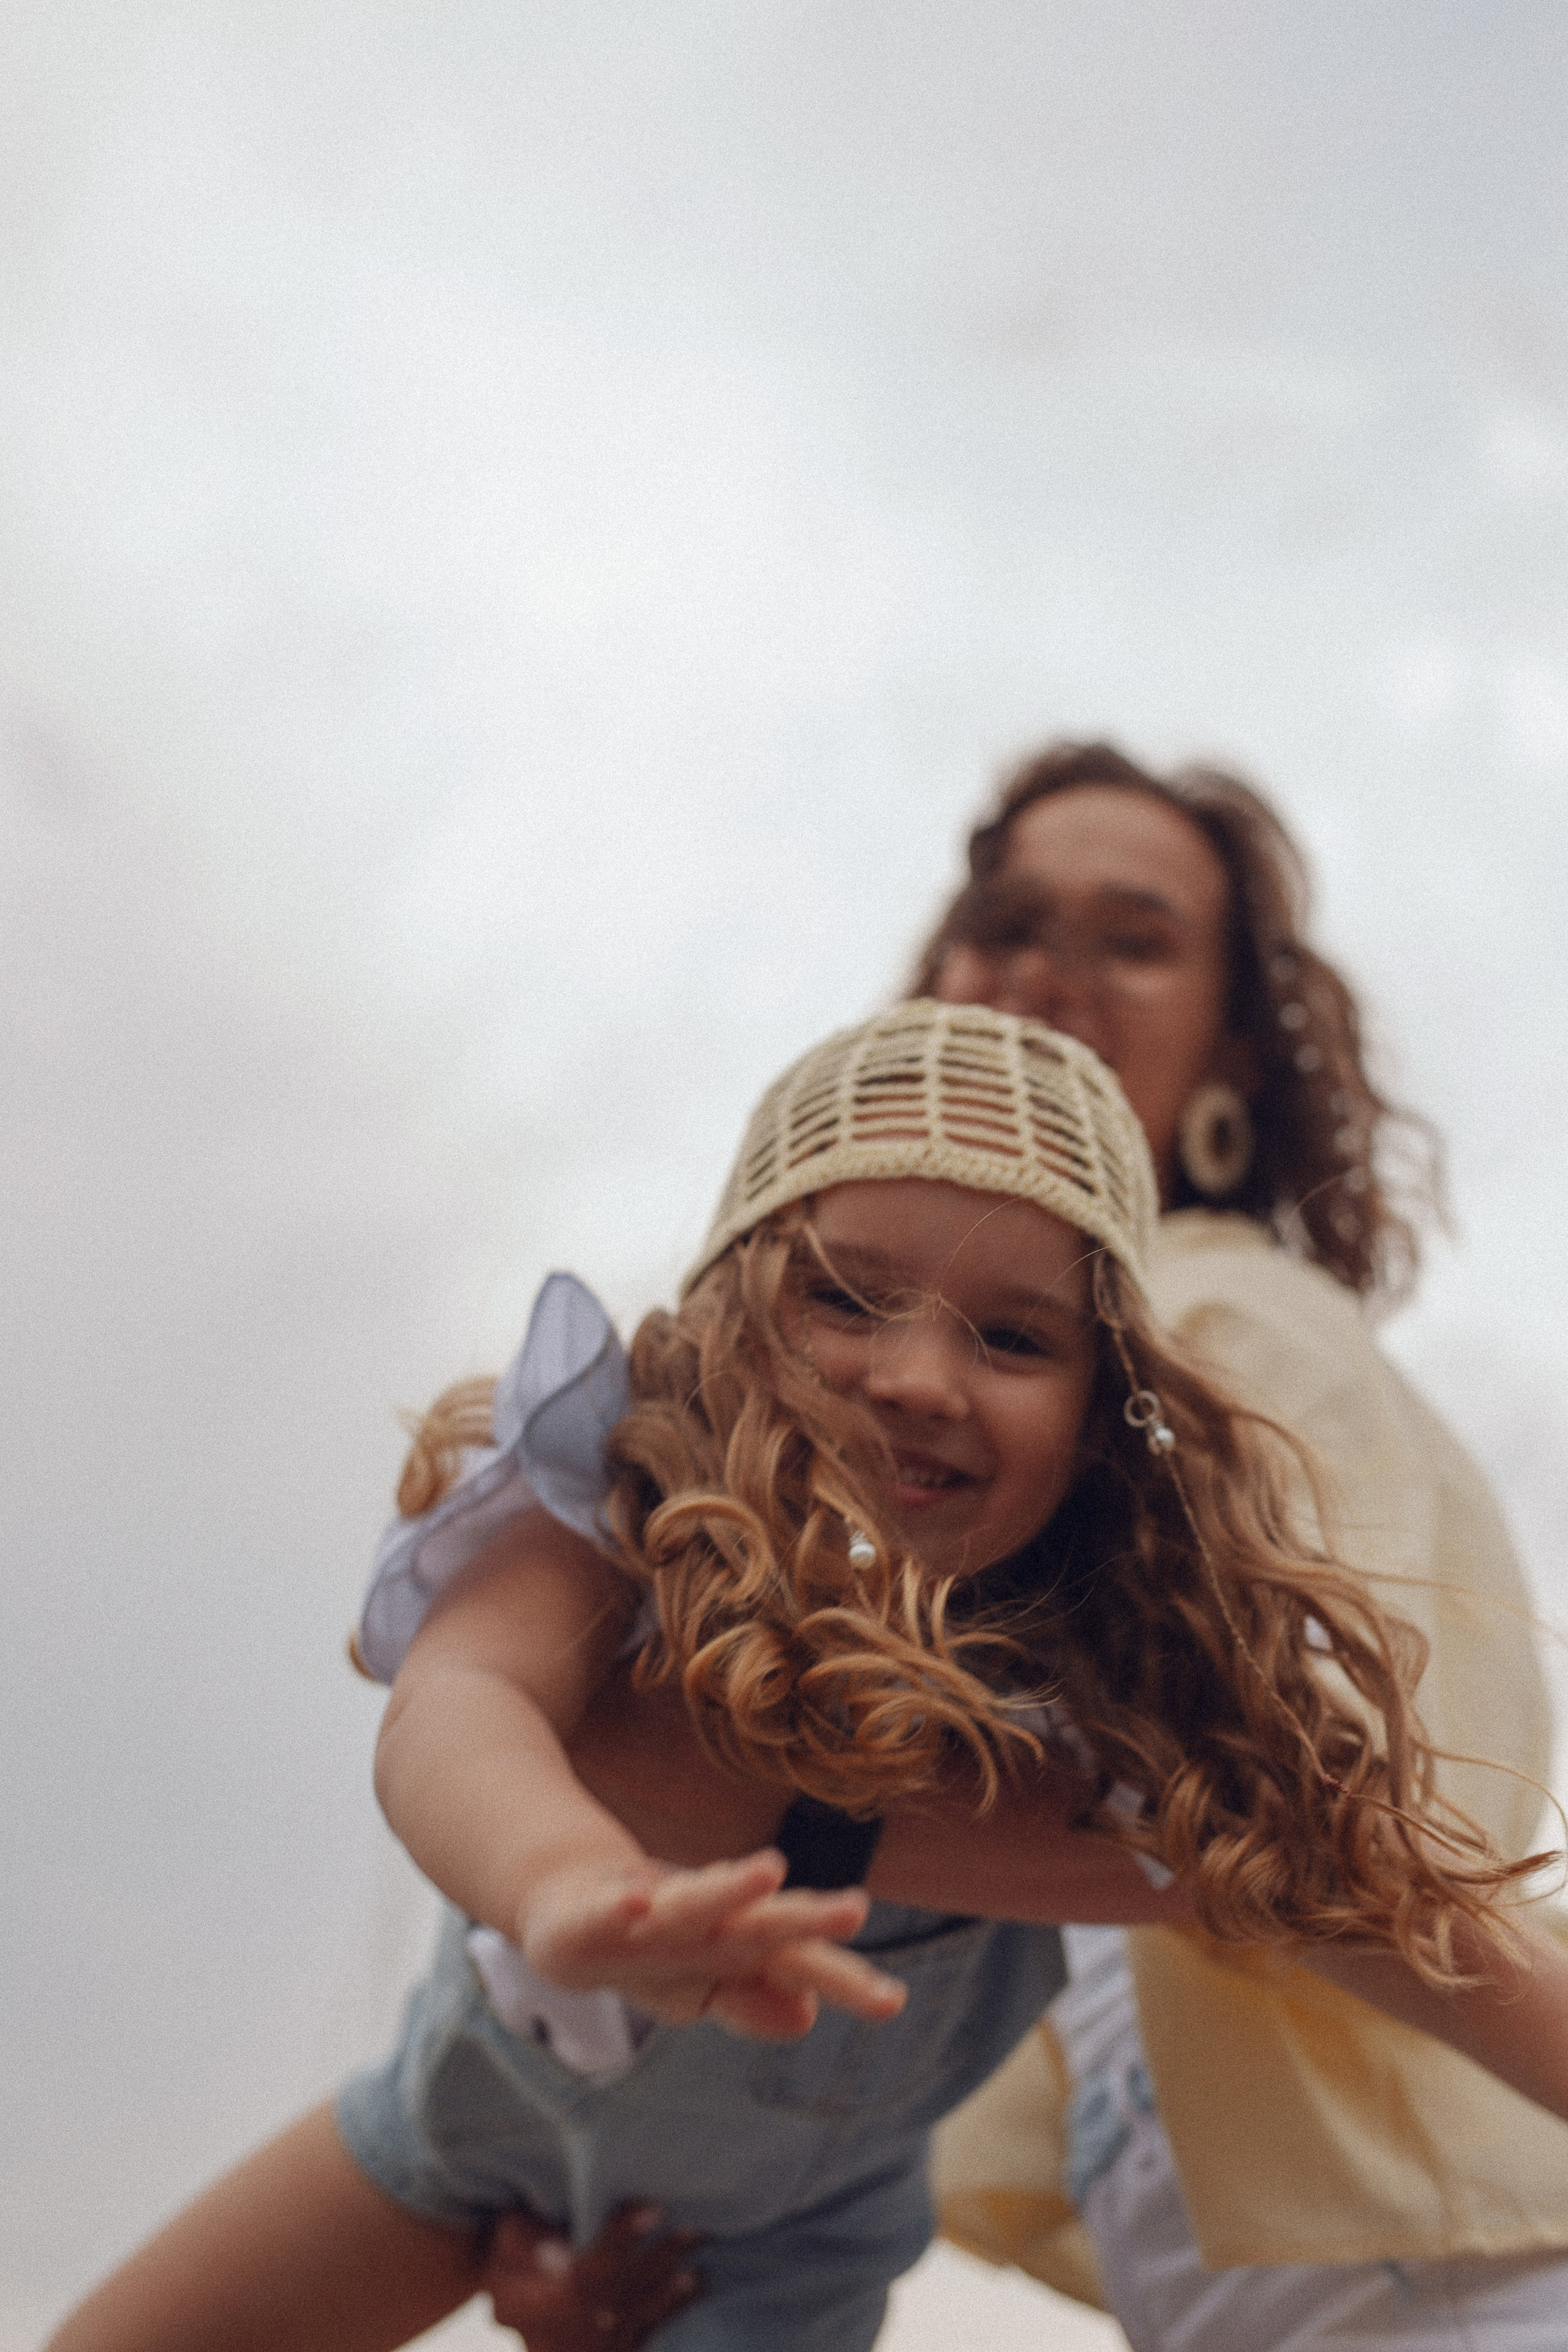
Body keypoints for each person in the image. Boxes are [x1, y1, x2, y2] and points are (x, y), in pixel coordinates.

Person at [45, 1001, 1564, 2352]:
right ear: (726, 1315)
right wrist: (568, 1883)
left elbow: (1406, 1929)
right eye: (843, 1298)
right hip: (458, 2140)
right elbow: (456, 1709)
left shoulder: (1074, 1726)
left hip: (773, 2261)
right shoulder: (612, 1514)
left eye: (1012, 1336)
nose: (915, 1375)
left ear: (1104, 1419)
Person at [911, 743, 1568, 2345]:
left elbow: (1305, 1804)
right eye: (1007, 921)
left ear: (1233, 1064)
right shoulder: (950, 1416)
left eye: (1134, 940)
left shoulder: (1209, 1321)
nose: (1050, 978)